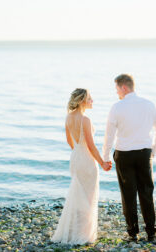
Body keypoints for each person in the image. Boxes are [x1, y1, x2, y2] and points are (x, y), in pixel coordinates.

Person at [102, 74, 156, 242]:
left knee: (128, 194)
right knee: (146, 192)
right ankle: (151, 232)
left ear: (124, 87)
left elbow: (109, 135)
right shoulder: (150, 104)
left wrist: (106, 157)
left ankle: (133, 233)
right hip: (144, 153)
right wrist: (153, 153)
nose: (117, 93)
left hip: (124, 154)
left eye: (117, 89)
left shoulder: (117, 107)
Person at [51, 88, 112, 245]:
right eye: (90, 99)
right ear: (82, 101)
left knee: (79, 195)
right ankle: (83, 235)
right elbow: (91, 146)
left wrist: (78, 151)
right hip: (87, 160)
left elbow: (69, 141)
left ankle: (74, 231)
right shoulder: (86, 120)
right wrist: (103, 163)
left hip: (76, 158)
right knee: (89, 196)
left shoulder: (68, 117)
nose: (92, 101)